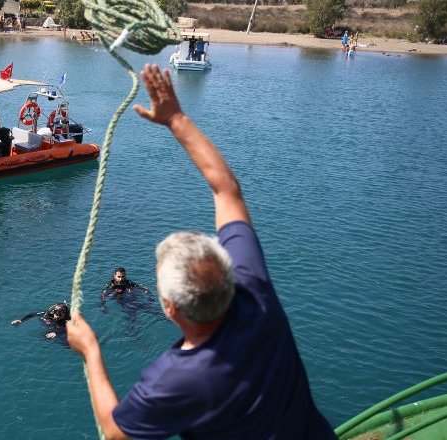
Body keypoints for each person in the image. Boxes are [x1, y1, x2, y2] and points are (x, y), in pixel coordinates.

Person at [65, 64, 336, 440]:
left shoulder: (176, 378)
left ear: (170, 308)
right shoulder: (256, 294)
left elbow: (114, 432)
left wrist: (91, 351)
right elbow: (227, 190)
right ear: (229, 272)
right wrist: (177, 118)